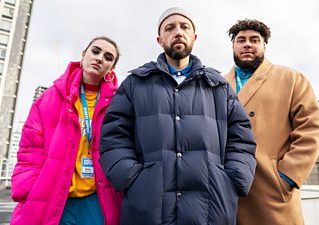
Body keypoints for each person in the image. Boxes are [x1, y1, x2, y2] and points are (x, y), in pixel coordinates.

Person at [99, 7, 256, 225]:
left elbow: (242, 139)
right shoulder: (135, 84)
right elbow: (113, 138)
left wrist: (232, 180)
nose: (178, 32)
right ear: (159, 39)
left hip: (212, 210)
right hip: (149, 209)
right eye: (170, 28)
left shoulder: (219, 87)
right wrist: (133, 179)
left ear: (194, 36)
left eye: (184, 27)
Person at [10, 36, 122, 225]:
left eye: (108, 57)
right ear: (83, 55)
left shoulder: (119, 104)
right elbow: (30, 149)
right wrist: (28, 189)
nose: (100, 58)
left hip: (97, 199)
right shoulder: (48, 99)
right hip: (54, 196)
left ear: (111, 68)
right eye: (95, 51)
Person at [225, 19, 319, 225]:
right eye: (240, 40)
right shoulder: (218, 84)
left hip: (271, 189)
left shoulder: (291, 78)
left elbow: (311, 129)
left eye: (254, 40)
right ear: (233, 45)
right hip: (228, 189)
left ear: (264, 45)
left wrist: (287, 177)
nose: (247, 44)